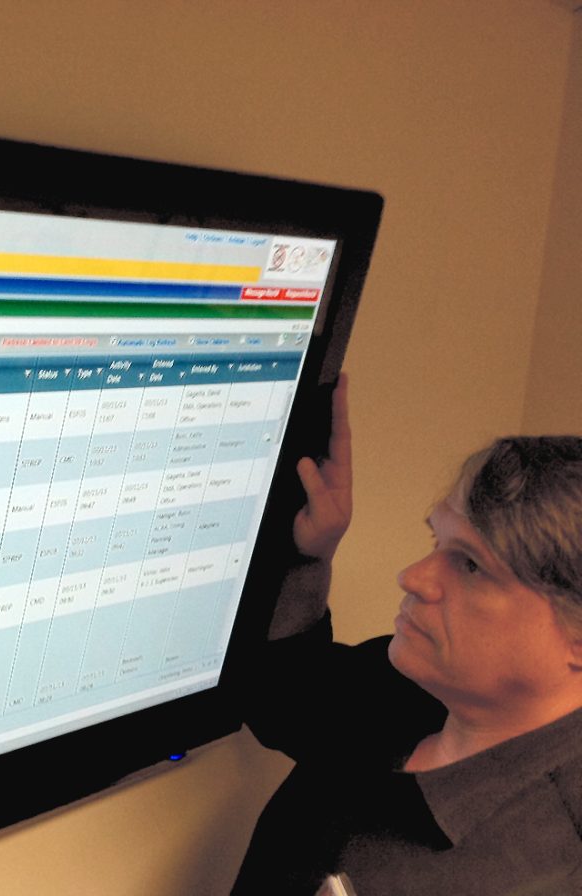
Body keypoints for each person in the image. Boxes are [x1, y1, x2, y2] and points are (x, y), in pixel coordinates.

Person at [230, 375, 582, 895]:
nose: (413, 577)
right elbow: (287, 699)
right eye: (438, 540)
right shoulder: (422, 687)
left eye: (471, 565)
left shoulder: (549, 868)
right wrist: (311, 552)